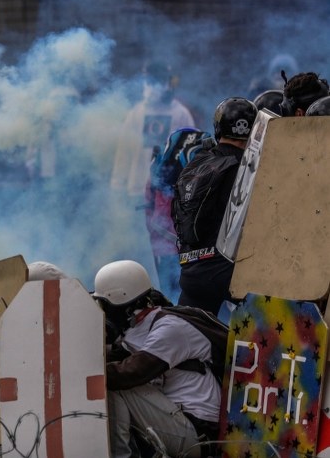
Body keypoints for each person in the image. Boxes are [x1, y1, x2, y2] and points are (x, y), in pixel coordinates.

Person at [94, 260, 221, 458]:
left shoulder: (170, 329)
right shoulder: (138, 328)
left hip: (197, 434)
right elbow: (110, 355)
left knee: (116, 383)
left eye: (106, 306)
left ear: (126, 305)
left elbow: (131, 373)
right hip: (178, 423)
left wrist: (81, 373)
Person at [171, 97, 257, 316]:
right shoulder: (251, 169)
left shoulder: (198, 160)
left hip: (191, 270)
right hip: (228, 274)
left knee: (183, 336)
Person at [111, 62, 197, 199]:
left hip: (168, 194)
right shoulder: (136, 113)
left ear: (168, 83)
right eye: (149, 81)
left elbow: (192, 153)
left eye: (158, 80)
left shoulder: (181, 114)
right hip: (137, 190)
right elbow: (124, 150)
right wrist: (118, 184)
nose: (153, 86)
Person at [144, 127, 210, 304]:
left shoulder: (159, 165)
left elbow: (148, 206)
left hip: (164, 245)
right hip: (199, 250)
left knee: (172, 298)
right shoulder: (208, 166)